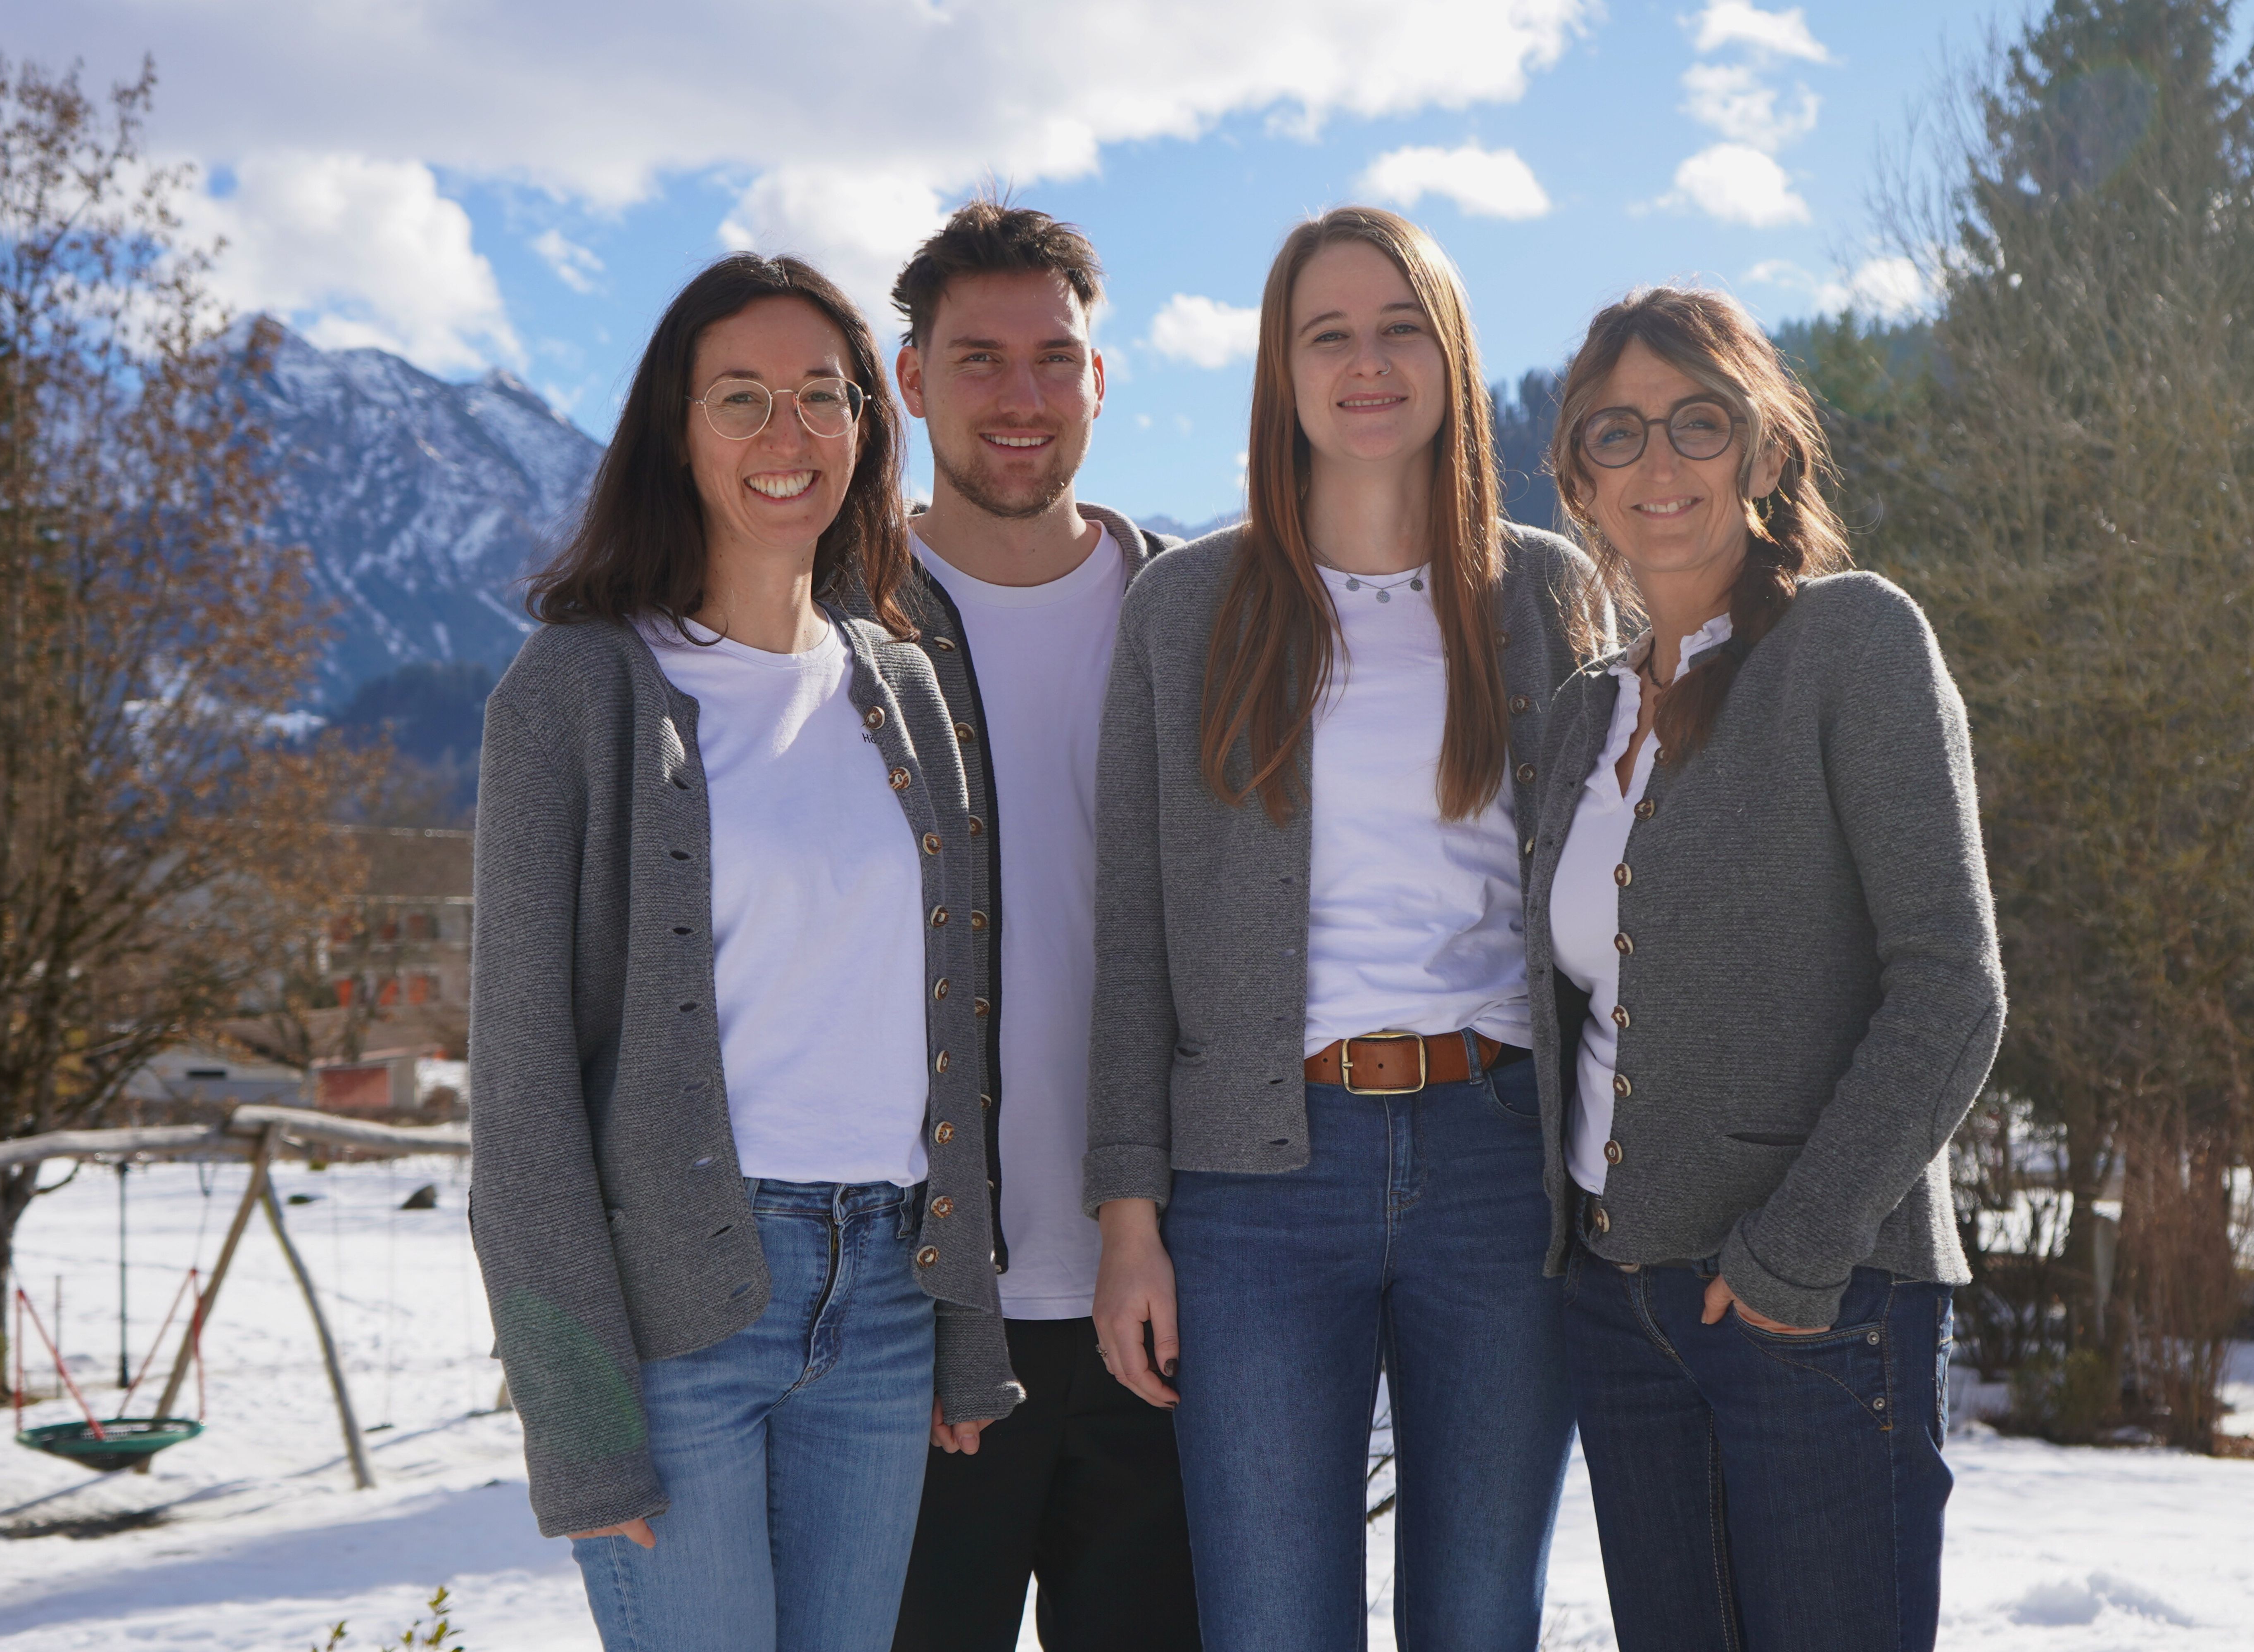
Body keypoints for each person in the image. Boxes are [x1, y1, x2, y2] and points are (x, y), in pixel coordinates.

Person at [470, 252, 1020, 1652]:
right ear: (676, 431)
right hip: (677, 1322)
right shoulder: (577, 689)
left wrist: (964, 1325)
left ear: (866, 427)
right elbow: (521, 1099)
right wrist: (579, 1423)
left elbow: (956, 1036)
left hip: (887, 1298)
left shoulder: (906, 687)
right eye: (742, 399)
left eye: (822, 396)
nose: (790, 434)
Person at [1086, 205, 1599, 1649]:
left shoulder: (1547, 594)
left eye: (1398, 329)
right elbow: (1133, 936)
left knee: (1481, 1616)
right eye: (1329, 335)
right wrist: (1129, 1220)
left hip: (1499, 1162)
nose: (1366, 363)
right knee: (1269, 1623)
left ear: (1452, 356)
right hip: (1257, 1185)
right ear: (1282, 371)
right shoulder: (1186, 608)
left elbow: (1615, 892)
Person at [1523, 285, 2005, 1651]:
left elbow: (1951, 987)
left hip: (1818, 1305)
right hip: (1620, 1307)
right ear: (1580, 477)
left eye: (1700, 422)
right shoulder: (1581, 715)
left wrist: (1794, 1256)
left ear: (1767, 451)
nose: (1661, 462)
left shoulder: (1852, 641)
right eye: (1618, 433)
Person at [873, 200, 1199, 1652]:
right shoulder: (835, 625)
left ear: (1101, 379)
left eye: (1054, 358)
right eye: (979, 359)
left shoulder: (1203, 619)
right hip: (918, 1318)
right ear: (911, 380)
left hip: (1177, 1294)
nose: (1022, 396)